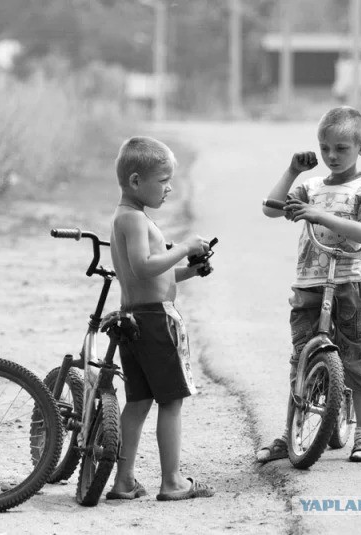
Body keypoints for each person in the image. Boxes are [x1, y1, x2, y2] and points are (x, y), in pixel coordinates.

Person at [257, 106, 361, 464]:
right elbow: (271, 208)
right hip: (310, 285)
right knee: (301, 358)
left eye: (341, 148)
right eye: (325, 147)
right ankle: (289, 433)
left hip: (349, 285)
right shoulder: (310, 187)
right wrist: (293, 170)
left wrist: (316, 214)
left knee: (357, 359)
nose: (331, 156)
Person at [106, 136, 215, 501]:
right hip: (154, 322)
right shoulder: (135, 220)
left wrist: (190, 270)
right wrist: (184, 246)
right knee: (170, 402)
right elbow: (142, 266)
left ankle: (123, 480)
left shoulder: (126, 218)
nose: (170, 188)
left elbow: (154, 276)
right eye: (164, 180)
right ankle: (172, 481)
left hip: (134, 319)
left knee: (137, 403)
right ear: (136, 181)